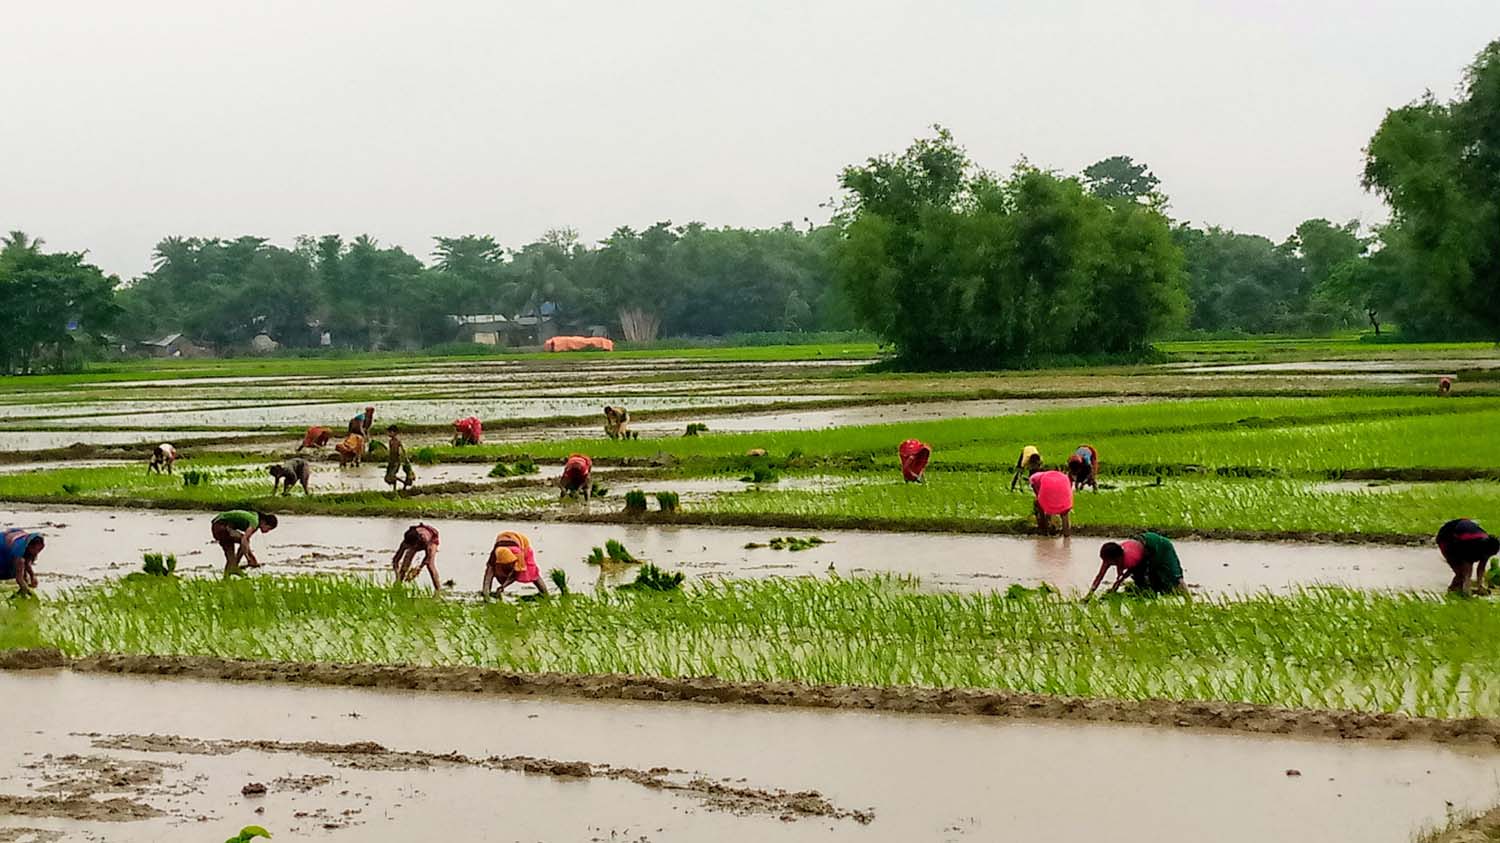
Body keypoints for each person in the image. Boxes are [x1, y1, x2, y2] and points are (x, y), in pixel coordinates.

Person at [1088, 532, 1188, 598]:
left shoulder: (1131, 559)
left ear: (1117, 559)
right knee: (1147, 585)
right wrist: (1089, 595)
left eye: (1109, 562)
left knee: (1174, 575)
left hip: (1161, 546)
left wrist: (1115, 586)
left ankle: (1189, 600)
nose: (1106, 563)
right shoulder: (1109, 557)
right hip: (1144, 545)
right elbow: (1099, 576)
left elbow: (1128, 573)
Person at [1436, 518, 1499, 594]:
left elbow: (1481, 568)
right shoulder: (1471, 546)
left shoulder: (1487, 546)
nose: (1486, 557)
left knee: (1463, 575)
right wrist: (1467, 586)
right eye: (1486, 554)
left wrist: (1480, 586)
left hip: (1462, 536)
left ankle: (1458, 590)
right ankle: (1452, 590)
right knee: (1460, 573)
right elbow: (1467, 569)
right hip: (1446, 538)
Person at [482, 530, 548, 598]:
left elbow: (516, 574)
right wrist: (486, 594)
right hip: (505, 540)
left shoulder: (518, 555)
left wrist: (503, 586)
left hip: (523, 544)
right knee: (492, 570)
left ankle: (545, 595)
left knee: (533, 573)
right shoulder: (494, 556)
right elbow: (488, 576)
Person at [211, 510, 277, 574]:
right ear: (264, 522)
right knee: (243, 540)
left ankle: (228, 576)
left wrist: (251, 557)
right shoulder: (255, 522)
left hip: (218, 527)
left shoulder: (255, 518)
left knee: (231, 559)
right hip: (221, 525)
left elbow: (246, 543)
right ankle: (236, 566)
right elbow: (244, 540)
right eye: (268, 528)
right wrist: (248, 558)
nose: (267, 531)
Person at [392, 523, 442, 592]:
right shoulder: (406, 541)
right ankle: (398, 584)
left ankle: (438, 589)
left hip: (431, 537)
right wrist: (397, 575)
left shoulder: (426, 540)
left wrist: (418, 569)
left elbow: (428, 558)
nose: (411, 548)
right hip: (417, 535)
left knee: (430, 565)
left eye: (413, 547)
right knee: (406, 561)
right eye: (410, 547)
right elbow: (395, 560)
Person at [1029, 469, 1073, 536]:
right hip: (1064, 486)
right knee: (1065, 513)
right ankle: (1067, 535)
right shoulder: (1060, 476)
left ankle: (1044, 530)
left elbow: (1038, 494)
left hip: (1053, 486)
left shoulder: (1033, 478)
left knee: (1040, 505)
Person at [0, 528, 43, 595]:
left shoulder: (27, 543)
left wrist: (32, 576)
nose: (37, 552)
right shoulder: (18, 553)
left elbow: (27, 561)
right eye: (35, 549)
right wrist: (27, 591)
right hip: (3, 550)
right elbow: (19, 578)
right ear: (30, 546)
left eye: (39, 549)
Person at [384, 425, 415, 491]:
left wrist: (406, 460)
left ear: (394, 433)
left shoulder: (397, 441)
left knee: (392, 475)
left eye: (390, 432)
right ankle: (396, 488)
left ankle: (404, 483)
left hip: (396, 461)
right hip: (391, 461)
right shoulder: (391, 441)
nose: (388, 434)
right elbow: (391, 452)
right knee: (388, 478)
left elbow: (402, 451)